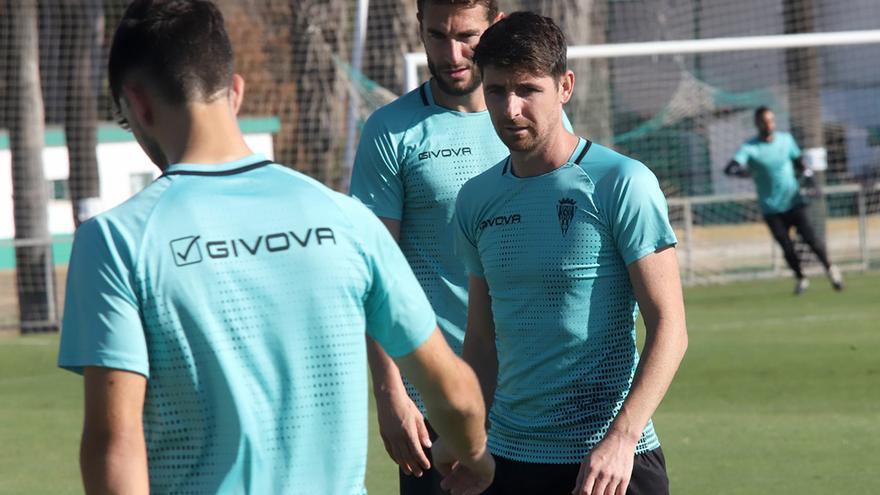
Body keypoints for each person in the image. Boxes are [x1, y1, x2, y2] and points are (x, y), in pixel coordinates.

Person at [57, 1, 493, 494]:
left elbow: (114, 443)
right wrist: (475, 454)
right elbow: (456, 396)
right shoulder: (346, 220)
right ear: (236, 92)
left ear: (136, 104)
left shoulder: (117, 241)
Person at [454, 12, 689, 495]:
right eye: (496, 90)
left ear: (565, 86)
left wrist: (621, 439)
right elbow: (480, 339)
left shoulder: (621, 183)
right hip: (509, 460)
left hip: (610, 461)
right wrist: (469, 438)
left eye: (527, 89)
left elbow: (671, 327)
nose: (510, 108)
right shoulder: (476, 199)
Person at [349, 1, 527, 493]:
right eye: (436, 36)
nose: (452, 53)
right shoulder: (390, 131)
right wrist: (390, 396)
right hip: (435, 400)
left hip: (534, 396)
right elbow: (373, 276)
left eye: (467, 36)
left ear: (497, 26)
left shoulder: (529, 116)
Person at [725, 106, 844, 294]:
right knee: (787, 247)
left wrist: (811, 181)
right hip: (771, 208)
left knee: (811, 240)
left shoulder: (786, 140)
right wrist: (744, 172)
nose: (769, 124)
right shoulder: (750, 147)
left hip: (793, 201)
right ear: (757, 123)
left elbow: (800, 164)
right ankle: (801, 278)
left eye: (771, 120)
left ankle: (831, 271)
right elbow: (730, 168)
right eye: (765, 121)